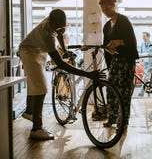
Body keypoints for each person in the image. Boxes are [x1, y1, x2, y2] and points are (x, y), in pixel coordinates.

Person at [19, 9, 102, 140]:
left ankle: (30, 112)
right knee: (41, 88)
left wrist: (65, 50)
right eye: (60, 27)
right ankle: (36, 129)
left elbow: (59, 33)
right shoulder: (46, 33)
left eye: (64, 26)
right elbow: (60, 64)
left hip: (38, 49)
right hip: (29, 51)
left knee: (34, 84)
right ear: (52, 23)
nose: (62, 30)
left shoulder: (53, 22)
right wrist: (87, 74)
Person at [98, 0, 139, 128]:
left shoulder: (123, 20)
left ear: (113, 6)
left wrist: (118, 42)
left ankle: (123, 121)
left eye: (107, 8)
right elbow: (105, 46)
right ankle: (112, 117)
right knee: (111, 90)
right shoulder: (106, 26)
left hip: (127, 61)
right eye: (103, 10)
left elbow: (132, 42)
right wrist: (108, 51)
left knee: (124, 91)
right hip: (115, 61)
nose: (105, 12)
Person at [138, 32, 152, 96]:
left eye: (144, 36)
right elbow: (141, 53)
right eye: (143, 37)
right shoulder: (142, 45)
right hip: (146, 65)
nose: (143, 38)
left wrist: (147, 54)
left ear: (148, 37)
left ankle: (141, 93)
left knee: (145, 78)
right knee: (149, 79)